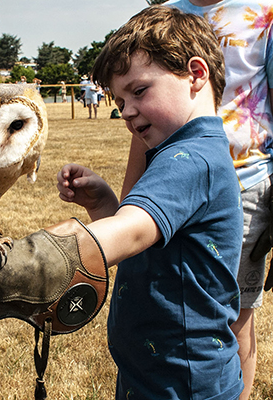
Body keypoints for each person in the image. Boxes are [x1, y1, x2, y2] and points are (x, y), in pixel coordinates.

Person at [57, 6, 243, 398]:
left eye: (138, 91)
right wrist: (105, 202)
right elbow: (145, 244)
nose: (126, 111)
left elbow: (132, 232)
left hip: (182, 383)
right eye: (119, 99)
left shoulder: (191, 160)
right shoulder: (182, 153)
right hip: (154, 372)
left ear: (196, 74)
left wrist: (39, 258)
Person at [118, 2, 273, 398]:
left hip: (248, 180)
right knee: (163, 295)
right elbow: (142, 130)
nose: (126, 110)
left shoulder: (263, 11)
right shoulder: (164, 15)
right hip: (169, 175)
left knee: (231, 317)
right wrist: (126, 203)